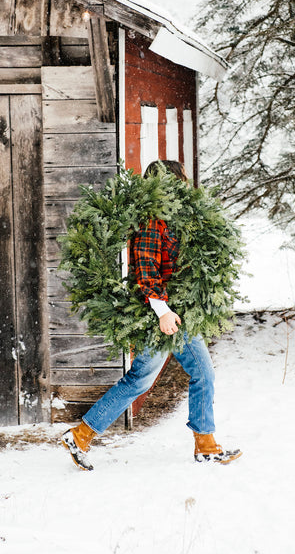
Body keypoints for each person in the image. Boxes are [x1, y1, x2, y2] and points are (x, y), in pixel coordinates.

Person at [61, 159, 242, 471]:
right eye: (179, 182)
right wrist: (162, 311)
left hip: (179, 313)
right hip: (158, 316)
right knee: (139, 381)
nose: (185, 188)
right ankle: (81, 434)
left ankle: (206, 445)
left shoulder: (177, 219)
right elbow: (146, 269)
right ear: (165, 186)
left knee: (203, 374)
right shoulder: (150, 223)